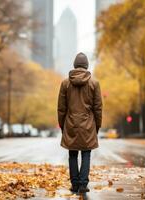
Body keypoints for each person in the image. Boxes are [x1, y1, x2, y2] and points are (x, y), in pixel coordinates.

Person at [57, 52, 102, 194]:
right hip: (88, 124)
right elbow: (98, 108)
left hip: (70, 123)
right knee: (86, 153)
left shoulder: (65, 83)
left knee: (72, 154)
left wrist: (62, 125)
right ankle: (83, 184)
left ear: (75, 65)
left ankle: (74, 184)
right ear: (87, 66)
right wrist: (97, 126)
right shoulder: (94, 83)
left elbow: (61, 108)